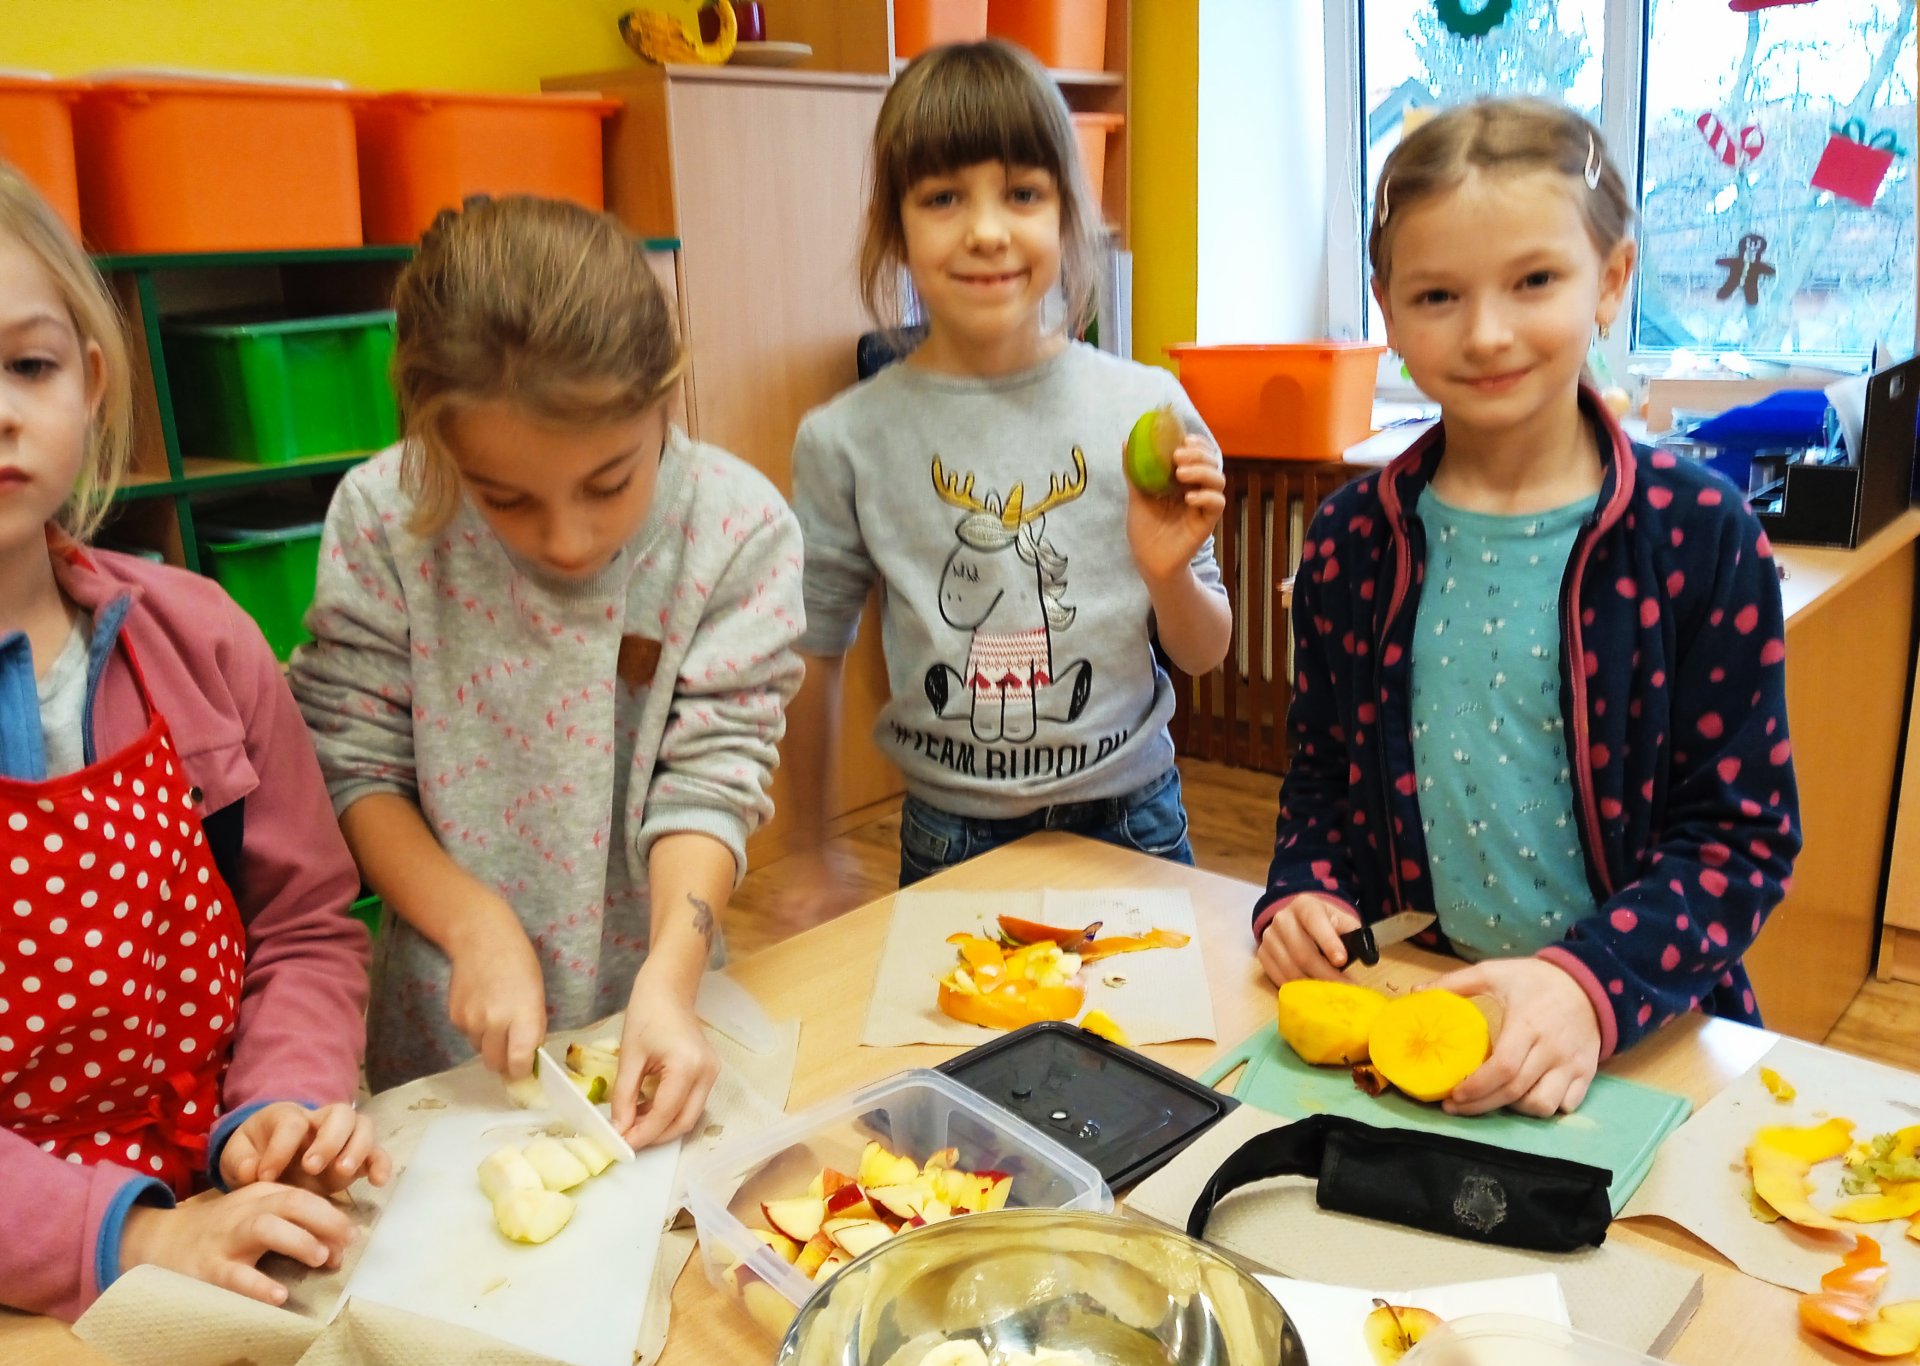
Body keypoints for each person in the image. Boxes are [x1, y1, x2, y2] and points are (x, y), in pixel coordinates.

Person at [1255, 99, 1799, 1118]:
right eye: (1437, 294)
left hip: (1638, 1028)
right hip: (1418, 1008)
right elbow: (1323, 780)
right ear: (1386, 308)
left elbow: (1740, 842)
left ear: (1613, 280)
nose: (1486, 333)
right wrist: (1305, 891)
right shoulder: (1349, 540)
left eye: (1535, 281)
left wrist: (1586, 987)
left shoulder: (1700, 536)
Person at [290, 197, 804, 1145]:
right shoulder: (385, 517)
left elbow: (711, 778)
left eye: (609, 483)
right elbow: (355, 768)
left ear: (667, 398)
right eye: (503, 498)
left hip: (657, 1006)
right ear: (439, 444)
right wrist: (471, 923)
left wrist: (670, 978)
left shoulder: (735, 529)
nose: (567, 540)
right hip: (446, 1040)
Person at [0, 165, 383, 1319]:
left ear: (91, 378)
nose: (0, 410)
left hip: (225, 1209)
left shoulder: (201, 639)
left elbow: (304, 924)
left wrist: (279, 1107)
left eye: (28, 365)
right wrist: (132, 1234)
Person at [787, 39, 1231, 916]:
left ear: (1067, 214)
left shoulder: (1146, 406)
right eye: (943, 197)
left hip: (1133, 822)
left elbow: (1205, 651)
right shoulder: (844, 438)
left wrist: (1168, 572)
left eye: (1022, 193)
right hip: (952, 837)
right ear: (895, 227)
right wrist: (807, 847)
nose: (987, 230)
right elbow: (813, 652)